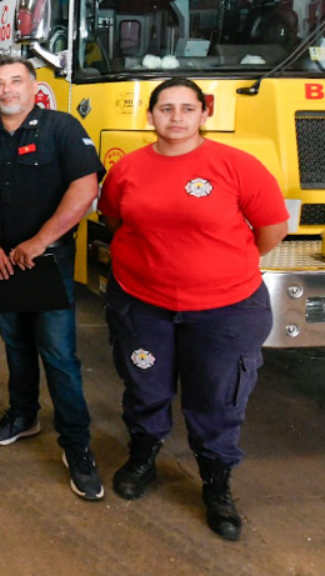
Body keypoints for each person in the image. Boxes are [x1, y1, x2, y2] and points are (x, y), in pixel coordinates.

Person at [99, 78, 288, 540]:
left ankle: (216, 482)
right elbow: (115, 219)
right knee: (144, 386)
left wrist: (219, 267)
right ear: (151, 116)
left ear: (206, 114)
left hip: (225, 311)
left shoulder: (236, 165)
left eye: (188, 108)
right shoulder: (127, 170)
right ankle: (143, 456)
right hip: (143, 306)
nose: (177, 117)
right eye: (166, 108)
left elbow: (272, 230)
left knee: (219, 399)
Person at [0, 55, 106, 500]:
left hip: (46, 263)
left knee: (58, 355)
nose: (5, 90)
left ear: (34, 87)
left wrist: (41, 240)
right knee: (15, 345)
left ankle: (77, 445)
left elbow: (86, 186)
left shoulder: (61, 128)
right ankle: (23, 415)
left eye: (15, 81)